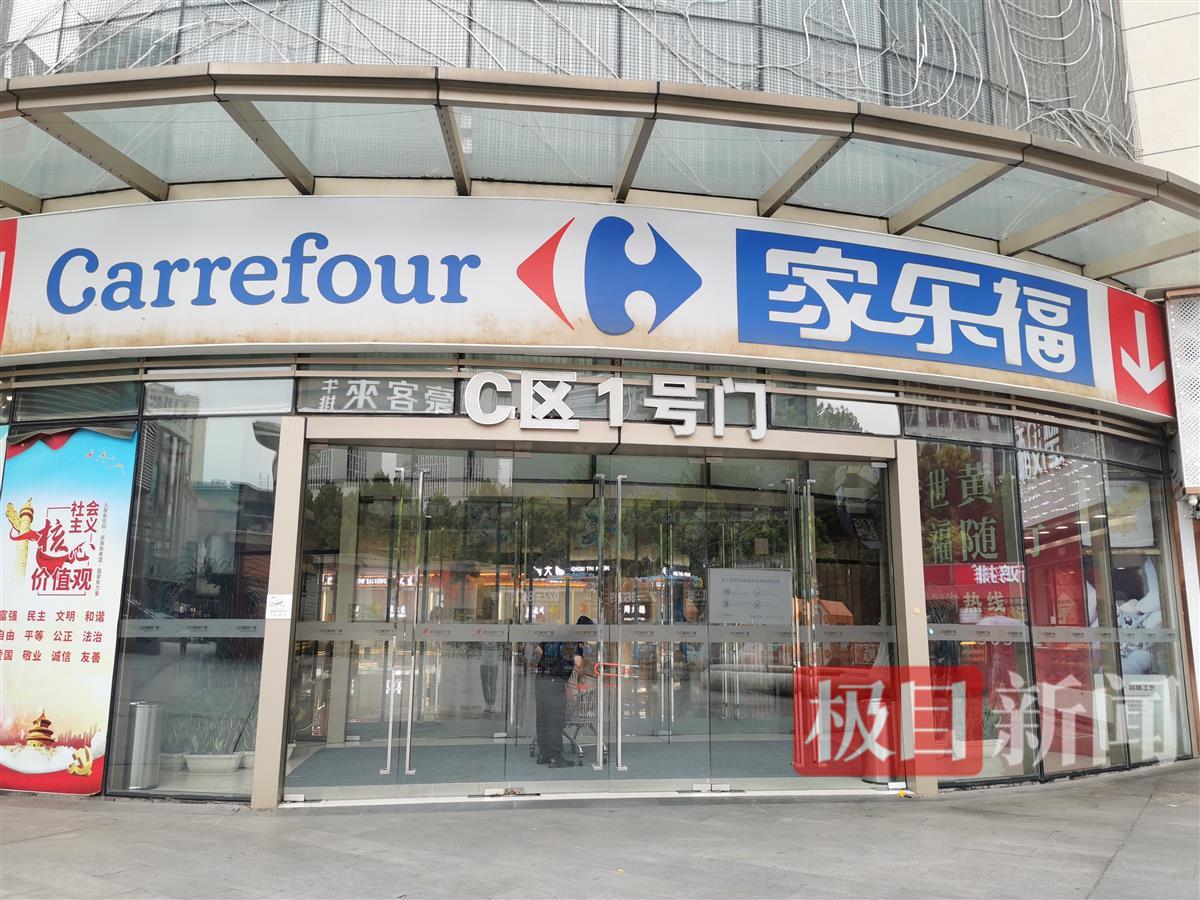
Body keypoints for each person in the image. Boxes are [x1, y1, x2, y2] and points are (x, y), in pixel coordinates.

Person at [533, 615, 593, 767]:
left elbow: (538, 649)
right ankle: (555, 757)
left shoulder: (558, 634)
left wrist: (550, 661)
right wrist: (581, 676)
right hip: (555, 680)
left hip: (540, 679)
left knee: (543, 718)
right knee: (555, 719)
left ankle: (544, 754)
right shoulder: (575, 640)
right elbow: (578, 662)